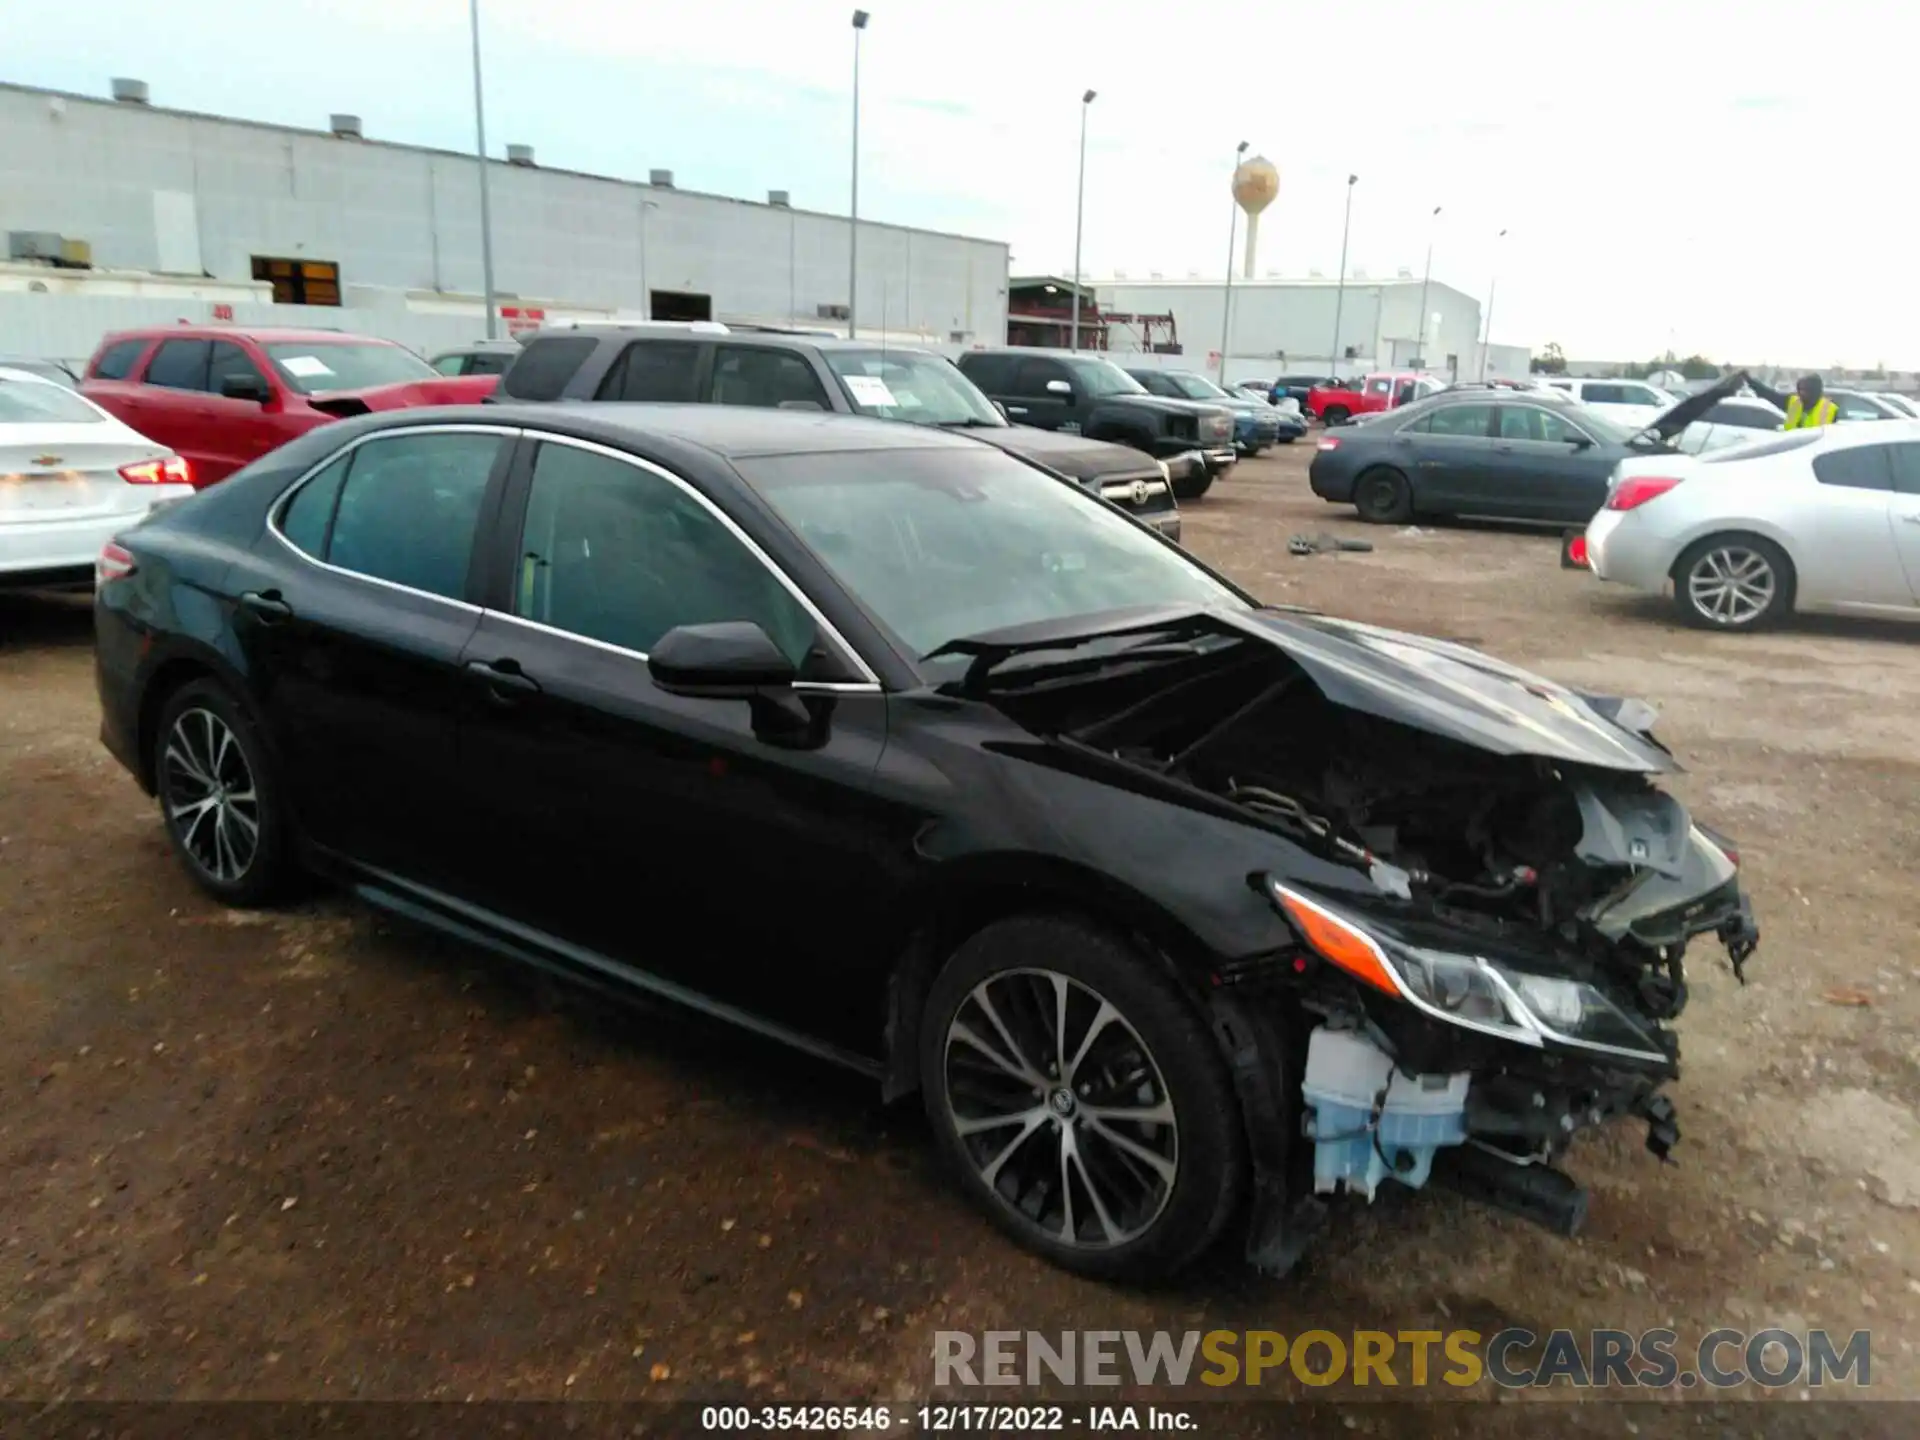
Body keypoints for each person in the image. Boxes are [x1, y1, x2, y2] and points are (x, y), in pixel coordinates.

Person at [1744, 372, 1838, 429]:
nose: (1801, 393)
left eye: (1806, 390)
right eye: (1800, 390)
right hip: (1791, 453)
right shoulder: (1794, 403)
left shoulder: (1830, 409)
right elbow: (1770, 395)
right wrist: (1750, 381)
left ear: (1815, 391)